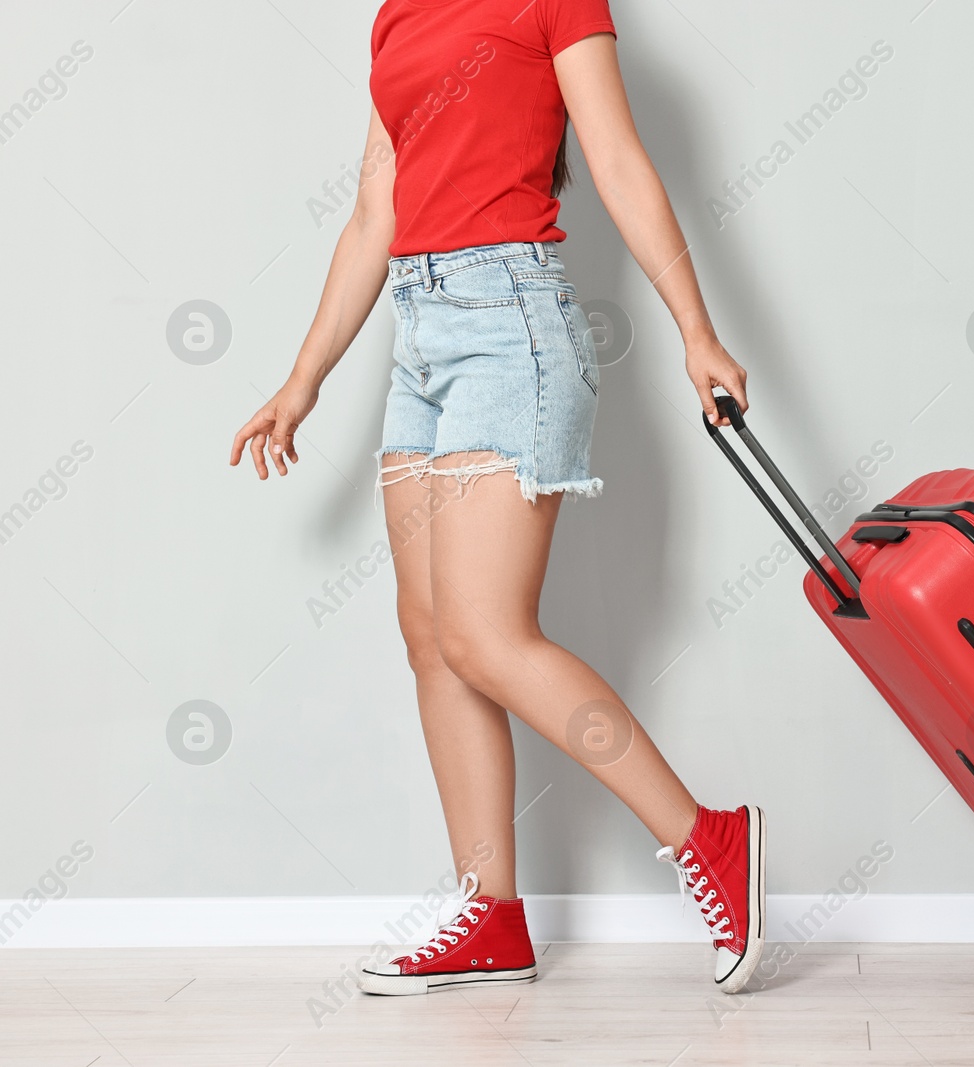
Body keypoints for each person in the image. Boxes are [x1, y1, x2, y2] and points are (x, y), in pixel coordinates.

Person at [228, 0, 765, 996]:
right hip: (418, 332)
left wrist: (697, 330)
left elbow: (616, 161)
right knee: (432, 637)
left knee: (486, 633)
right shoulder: (397, 15)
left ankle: (709, 837)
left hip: (510, 324)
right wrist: (303, 379)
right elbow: (373, 208)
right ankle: (491, 913)